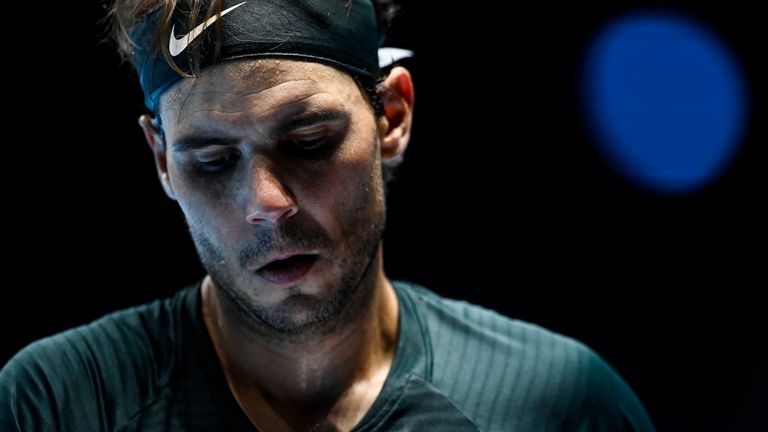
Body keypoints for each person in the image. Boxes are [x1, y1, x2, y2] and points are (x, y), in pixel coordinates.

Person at [0, 1, 655, 431]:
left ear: (391, 116)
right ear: (162, 160)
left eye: (308, 141)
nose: (265, 202)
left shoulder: (559, 406)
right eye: (212, 160)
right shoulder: (60, 403)